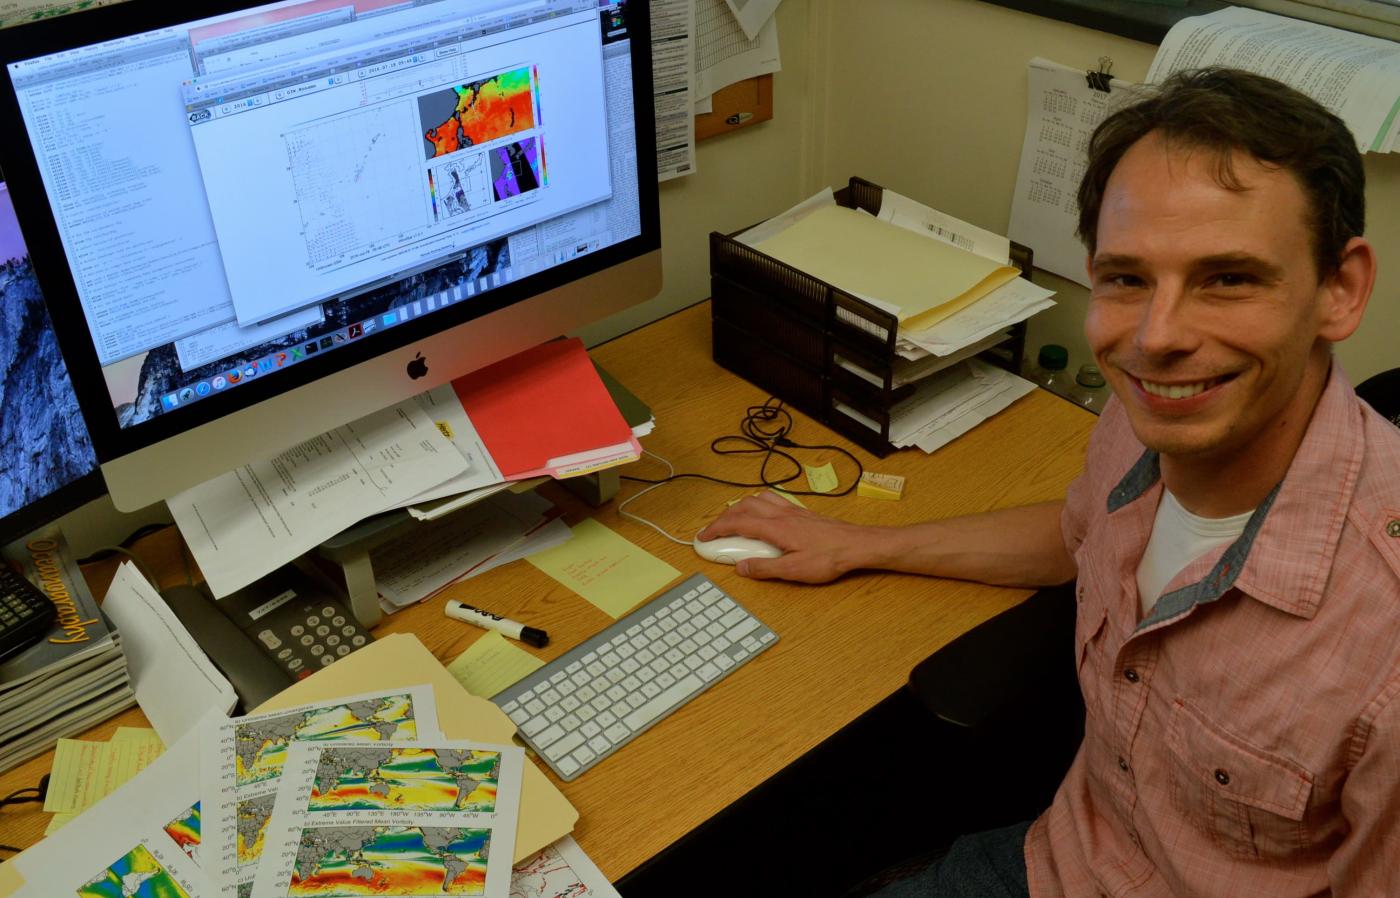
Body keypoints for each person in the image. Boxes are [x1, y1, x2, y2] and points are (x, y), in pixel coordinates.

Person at [698, 68, 1400, 896]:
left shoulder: (1382, 652)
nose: (1156, 337)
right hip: (1064, 855)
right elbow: (1078, 532)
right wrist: (859, 543)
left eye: (1228, 278)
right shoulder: (1147, 417)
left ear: (1340, 289)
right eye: (1127, 278)